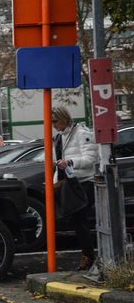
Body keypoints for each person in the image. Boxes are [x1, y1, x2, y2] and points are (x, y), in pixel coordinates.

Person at [52, 106, 100, 271]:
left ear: (63, 119)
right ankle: (89, 257)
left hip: (86, 182)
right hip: (73, 183)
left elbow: (92, 158)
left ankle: (88, 256)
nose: (53, 125)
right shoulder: (60, 136)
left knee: (76, 219)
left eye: (55, 121)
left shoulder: (81, 133)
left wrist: (70, 162)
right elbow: (59, 162)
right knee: (80, 220)